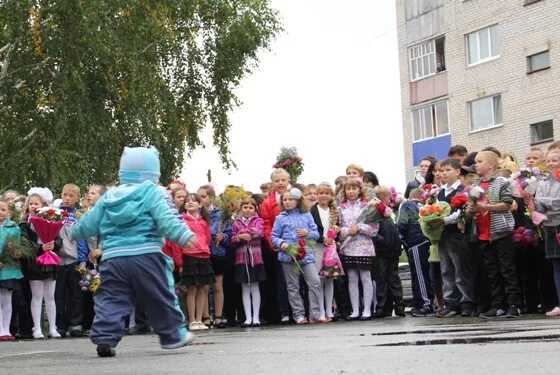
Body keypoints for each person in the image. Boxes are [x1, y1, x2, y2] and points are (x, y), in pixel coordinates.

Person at [71, 146, 197, 357]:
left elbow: (90, 222)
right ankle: (172, 336)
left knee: (111, 297)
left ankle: (105, 337)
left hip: (113, 258)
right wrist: (183, 235)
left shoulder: (110, 195)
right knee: (159, 296)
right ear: (153, 172)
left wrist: (76, 231)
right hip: (146, 254)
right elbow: (167, 217)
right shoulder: (153, 192)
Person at [467, 151, 522, 318]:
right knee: (492, 272)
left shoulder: (501, 182)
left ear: (491, 165)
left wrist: (485, 208)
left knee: (507, 269)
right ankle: (498, 304)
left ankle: (514, 304)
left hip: (501, 232)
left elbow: (507, 204)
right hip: (483, 234)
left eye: (479, 161)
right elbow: (471, 207)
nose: (476, 164)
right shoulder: (475, 185)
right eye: (475, 162)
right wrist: (469, 209)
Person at [271, 188, 325, 325]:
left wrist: (307, 232)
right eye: (285, 200)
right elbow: (274, 236)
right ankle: (299, 315)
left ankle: (315, 314)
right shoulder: (280, 218)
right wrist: (282, 243)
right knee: (293, 286)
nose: (288, 202)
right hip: (289, 256)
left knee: (315, 282)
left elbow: (316, 234)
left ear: (298, 200)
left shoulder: (306, 215)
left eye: (291, 199)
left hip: (306, 254)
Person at [19, 189, 62, 339]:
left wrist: (53, 245)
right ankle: (37, 328)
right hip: (34, 264)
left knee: (50, 296)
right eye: (30, 203)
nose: (33, 206)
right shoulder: (25, 224)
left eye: (36, 203)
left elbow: (59, 239)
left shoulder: (52, 219)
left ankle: (53, 327)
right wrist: (40, 248)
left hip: (50, 262)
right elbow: (24, 244)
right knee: (37, 296)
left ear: (43, 204)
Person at [436, 159, 475, 317]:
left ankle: (467, 302)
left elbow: (461, 211)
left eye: (447, 170)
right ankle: (451, 302)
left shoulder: (462, 189)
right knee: (446, 270)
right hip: (443, 234)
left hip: (457, 234)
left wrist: (445, 220)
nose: (443, 173)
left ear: (458, 172)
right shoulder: (440, 192)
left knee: (460, 269)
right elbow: (437, 209)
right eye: (441, 170)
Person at [338, 177, 379, 320]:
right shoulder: (341, 208)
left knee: (366, 277)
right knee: (352, 278)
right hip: (348, 247)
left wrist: (359, 227)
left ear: (360, 190)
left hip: (364, 247)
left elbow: (374, 230)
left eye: (354, 188)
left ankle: (367, 309)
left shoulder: (367, 206)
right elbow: (338, 228)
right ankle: (355, 310)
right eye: (348, 189)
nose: (351, 192)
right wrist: (347, 230)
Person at [55, 183, 89, 337]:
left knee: (76, 294)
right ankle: (59, 325)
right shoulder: (53, 213)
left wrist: (82, 260)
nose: (67, 198)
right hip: (57, 260)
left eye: (71, 196)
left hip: (74, 260)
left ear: (77, 198)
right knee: (58, 294)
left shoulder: (79, 216)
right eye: (64, 195)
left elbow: (82, 240)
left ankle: (75, 324)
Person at [260, 168, 291, 324]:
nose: (280, 183)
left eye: (283, 180)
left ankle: (298, 311)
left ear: (288, 181)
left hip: (296, 245)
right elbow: (266, 224)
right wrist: (273, 241)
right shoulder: (267, 203)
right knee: (281, 279)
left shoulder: (295, 198)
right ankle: (283, 311)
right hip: (277, 246)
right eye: (277, 181)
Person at [179, 193, 214, 331]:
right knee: (192, 289)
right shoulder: (182, 220)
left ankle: (200, 319)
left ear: (200, 205)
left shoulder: (204, 222)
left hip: (203, 256)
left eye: (193, 201)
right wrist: (180, 262)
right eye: (187, 201)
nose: (190, 203)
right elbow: (177, 243)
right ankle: (192, 320)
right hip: (189, 256)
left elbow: (207, 238)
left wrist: (204, 248)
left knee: (203, 288)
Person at [397, 188, 435, 316]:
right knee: (424, 273)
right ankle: (421, 303)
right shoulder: (424, 207)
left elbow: (402, 223)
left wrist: (400, 237)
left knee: (419, 275)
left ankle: (425, 304)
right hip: (426, 240)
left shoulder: (406, 205)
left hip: (415, 241)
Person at [198, 185, 230, 329]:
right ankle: (205, 317)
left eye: (203, 196)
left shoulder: (221, 214)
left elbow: (229, 232)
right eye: (199, 196)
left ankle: (218, 316)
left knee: (217, 286)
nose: (201, 199)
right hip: (203, 253)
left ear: (211, 197)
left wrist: (223, 237)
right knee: (204, 286)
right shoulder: (197, 214)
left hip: (218, 252)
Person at [231, 198, 266, 327]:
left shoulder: (258, 220)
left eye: (251, 207)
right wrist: (239, 237)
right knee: (245, 288)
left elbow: (259, 232)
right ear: (241, 209)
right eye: (245, 207)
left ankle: (256, 317)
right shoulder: (236, 223)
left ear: (255, 209)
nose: (248, 210)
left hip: (255, 259)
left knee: (255, 287)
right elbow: (233, 239)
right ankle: (248, 317)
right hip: (242, 259)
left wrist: (245, 233)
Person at [372, 186, 404, 318]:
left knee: (393, 279)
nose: (390, 199)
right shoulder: (376, 213)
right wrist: (382, 241)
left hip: (392, 251)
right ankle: (383, 307)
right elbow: (373, 231)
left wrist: (397, 245)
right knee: (382, 280)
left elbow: (393, 231)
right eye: (387, 197)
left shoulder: (388, 213)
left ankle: (398, 306)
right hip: (382, 251)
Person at [535, 149, 560, 317]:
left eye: (555, 160)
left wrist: (545, 202)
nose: (550, 163)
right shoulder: (542, 180)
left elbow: (557, 204)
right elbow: (537, 203)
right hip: (550, 226)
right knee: (556, 265)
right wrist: (544, 203)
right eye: (548, 160)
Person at [310, 182, 340, 321]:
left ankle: (329, 310)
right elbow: (311, 230)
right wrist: (322, 239)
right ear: (317, 194)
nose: (323, 196)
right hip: (318, 247)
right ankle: (320, 310)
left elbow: (337, 230)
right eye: (321, 193)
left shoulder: (334, 211)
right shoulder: (312, 211)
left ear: (331, 195)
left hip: (331, 248)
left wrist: (336, 232)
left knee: (330, 279)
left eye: (327, 193)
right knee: (319, 279)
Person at [0, 198, 23, 341]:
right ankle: (0, 329)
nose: (0, 213)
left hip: (9, 268)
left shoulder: (15, 228)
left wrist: (16, 252)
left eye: (3, 210)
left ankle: (7, 329)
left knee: (7, 299)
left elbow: (18, 247)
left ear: (9, 212)